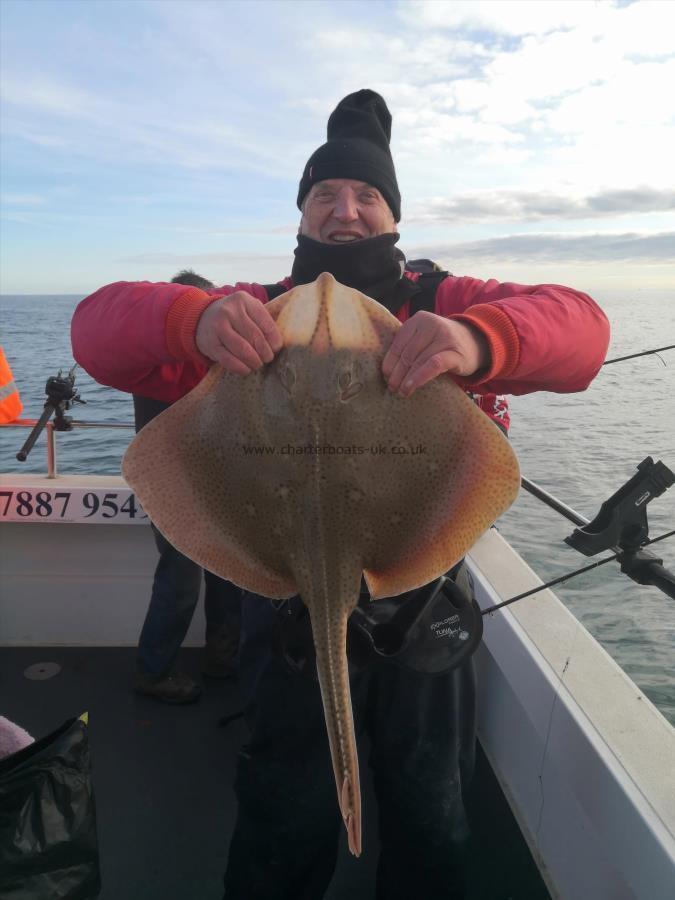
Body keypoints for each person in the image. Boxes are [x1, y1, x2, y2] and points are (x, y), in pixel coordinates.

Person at [71, 90, 610, 898]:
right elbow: (96, 329)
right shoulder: (246, 312)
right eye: (325, 194)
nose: (345, 210)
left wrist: (477, 339)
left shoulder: (443, 301)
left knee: (431, 815)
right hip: (282, 597)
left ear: (392, 214)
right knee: (283, 815)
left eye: (366, 195)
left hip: (421, 608)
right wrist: (193, 320)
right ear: (300, 214)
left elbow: (581, 330)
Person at [133, 269, 242, 704]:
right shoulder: (162, 359)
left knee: (230, 573)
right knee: (180, 578)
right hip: (171, 487)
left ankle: (223, 655)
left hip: (217, 483)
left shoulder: (210, 358)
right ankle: (152, 670)